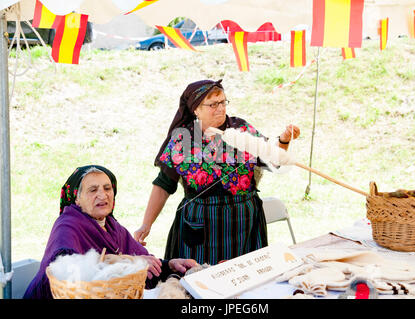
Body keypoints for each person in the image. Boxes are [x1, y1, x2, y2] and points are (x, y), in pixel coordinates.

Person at [134, 79, 300, 265]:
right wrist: (146, 224)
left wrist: (284, 140)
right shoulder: (183, 139)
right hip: (201, 228)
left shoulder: (241, 129)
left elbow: (271, 157)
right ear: (195, 109)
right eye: (213, 104)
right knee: (201, 282)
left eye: (223, 102)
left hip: (244, 223)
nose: (220, 108)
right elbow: (164, 185)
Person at [23, 165, 197, 299]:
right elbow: (66, 269)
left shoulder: (113, 227)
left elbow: (143, 263)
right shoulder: (68, 225)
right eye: (93, 190)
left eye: (107, 188)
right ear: (76, 197)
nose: (103, 195)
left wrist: (169, 265)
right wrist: (129, 263)